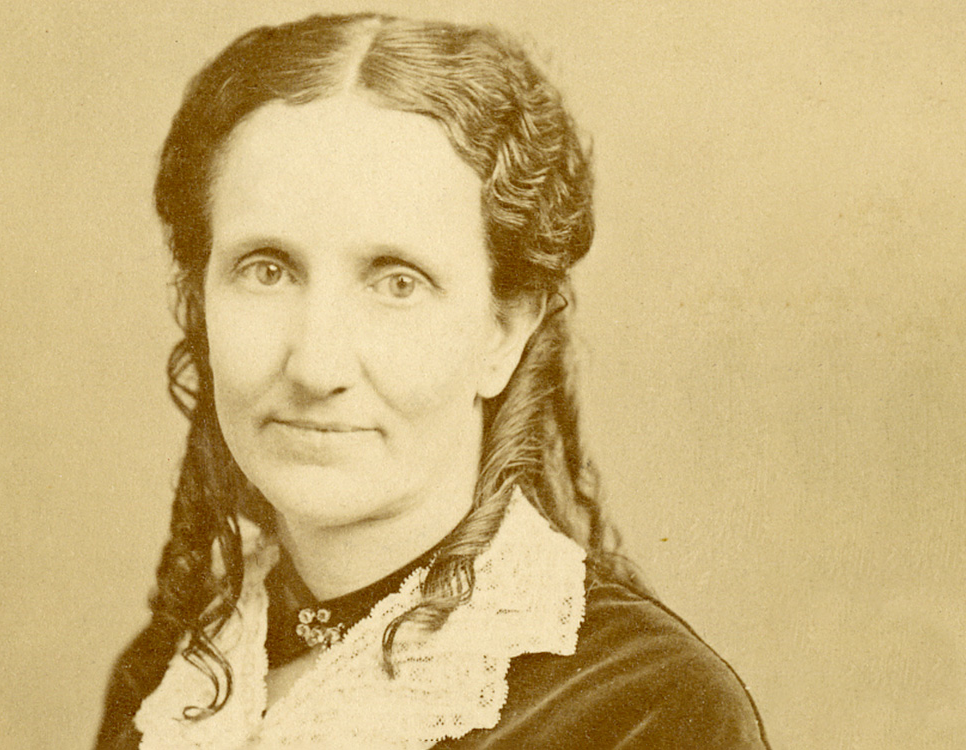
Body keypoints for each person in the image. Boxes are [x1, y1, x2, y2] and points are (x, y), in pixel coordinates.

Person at [95, 12, 770, 749]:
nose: (317, 366)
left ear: (503, 332)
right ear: (199, 299)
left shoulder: (642, 710)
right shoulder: (176, 678)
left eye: (397, 283)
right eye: (267, 270)